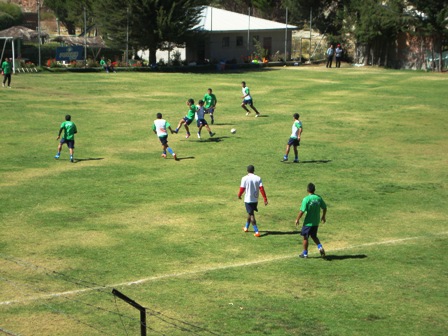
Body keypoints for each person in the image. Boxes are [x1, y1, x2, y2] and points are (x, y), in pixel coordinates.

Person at [295, 183, 327, 259]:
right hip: (316, 221)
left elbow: (302, 211)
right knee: (313, 236)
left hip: (308, 222)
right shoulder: (318, 198)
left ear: (307, 190)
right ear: (314, 190)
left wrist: (297, 219)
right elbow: (325, 207)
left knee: (305, 237)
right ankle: (320, 247)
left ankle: (305, 253)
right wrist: (323, 216)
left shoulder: (306, 199)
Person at [238, 165, 268, 237]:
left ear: (247, 171)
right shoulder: (258, 178)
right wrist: (265, 199)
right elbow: (261, 189)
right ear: (254, 170)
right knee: (250, 212)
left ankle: (256, 231)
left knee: (251, 214)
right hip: (255, 199)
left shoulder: (244, 178)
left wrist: (239, 195)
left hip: (248, 199)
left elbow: (242, 188)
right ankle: (246, 227)